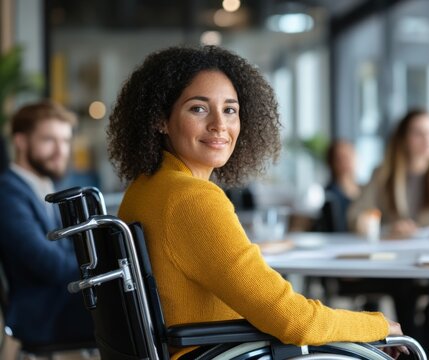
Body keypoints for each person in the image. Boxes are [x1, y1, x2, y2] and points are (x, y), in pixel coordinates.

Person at [107, 45, 407, 360]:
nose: (219, 125)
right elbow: (295, 321)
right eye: (198, 108)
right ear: (161, 120)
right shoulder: (191, 198)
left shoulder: (145, 188)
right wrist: (378, 325)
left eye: (230, 109)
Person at [347, 109, 429, 358]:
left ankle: (421, 348)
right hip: (396, 260)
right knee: (402, 287)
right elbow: (355, 215)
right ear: (404, 138)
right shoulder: (383, 174)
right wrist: (386, 228)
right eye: (419, 133)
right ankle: (418, 349)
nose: (428, 139)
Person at [0, 100, 94, 345]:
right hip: (41, 313)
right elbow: (48, 264)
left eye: (65, 141)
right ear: (20, 141)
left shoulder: (45, 186)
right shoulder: (7, 193)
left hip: (60, 301)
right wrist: (98, 267)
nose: (61, 150)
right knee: (132, 311)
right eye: (49, 140)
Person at [314, 139, 361, 232]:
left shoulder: (367, 191)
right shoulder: (327, 196)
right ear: (331, 163)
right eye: (340, 158)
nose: (346, 161)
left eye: (349, 156)